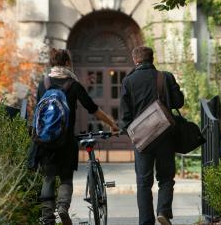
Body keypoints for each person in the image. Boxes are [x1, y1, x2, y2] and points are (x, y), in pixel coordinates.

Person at [36, 48, 119, 225]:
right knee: (66, 177)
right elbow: (92, 108)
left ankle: (47, 217)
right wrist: (111, 123)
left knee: (48, 176)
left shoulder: (43, 83)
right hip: (66, 141)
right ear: (67, 63)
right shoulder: (73, 84)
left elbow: (38, 112)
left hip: (44, 140)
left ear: (52, 63)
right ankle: (63, 207)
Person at [119, 46, 184, 225]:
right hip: (165, 135)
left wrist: (131, 133)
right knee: (166, 177)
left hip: (142, 139)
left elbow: (124, 117)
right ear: (152, 59)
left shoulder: (128, 81)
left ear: (135, 60)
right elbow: (179, 102)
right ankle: (163, 211)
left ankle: (146, 222)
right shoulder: (166, 77)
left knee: (143, 182)